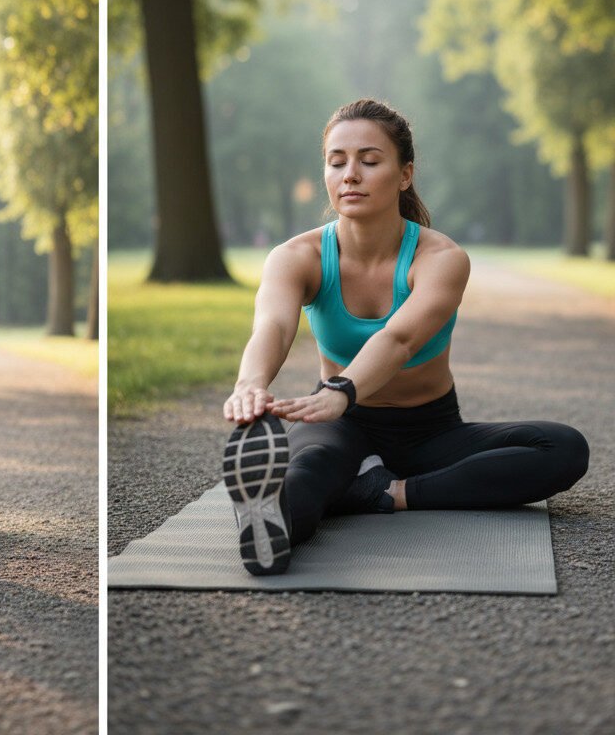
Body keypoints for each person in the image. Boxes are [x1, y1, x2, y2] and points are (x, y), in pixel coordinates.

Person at [222, 98, 589, 575]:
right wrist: (249, 383)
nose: (350, 174)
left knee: (563, 448)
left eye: (369, 161)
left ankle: (382, 492)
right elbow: (272, 325)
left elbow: (400, 340)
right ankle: (271, 525)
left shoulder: (441, 259)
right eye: (337, 162)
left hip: (430, 431)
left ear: (404, 174)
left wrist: (343, 388)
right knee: (306, 475)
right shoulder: (296, 256)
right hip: (340, 424)